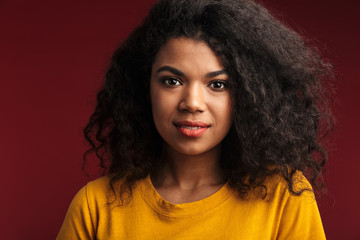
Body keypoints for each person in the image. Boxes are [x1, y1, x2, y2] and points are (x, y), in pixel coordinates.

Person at [57, 0, 334, 239]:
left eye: (218, 85)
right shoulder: (96, 206)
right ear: (145, 88)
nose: (192, 103)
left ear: (250, 96)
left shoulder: (285, 198)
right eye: (172, 81)